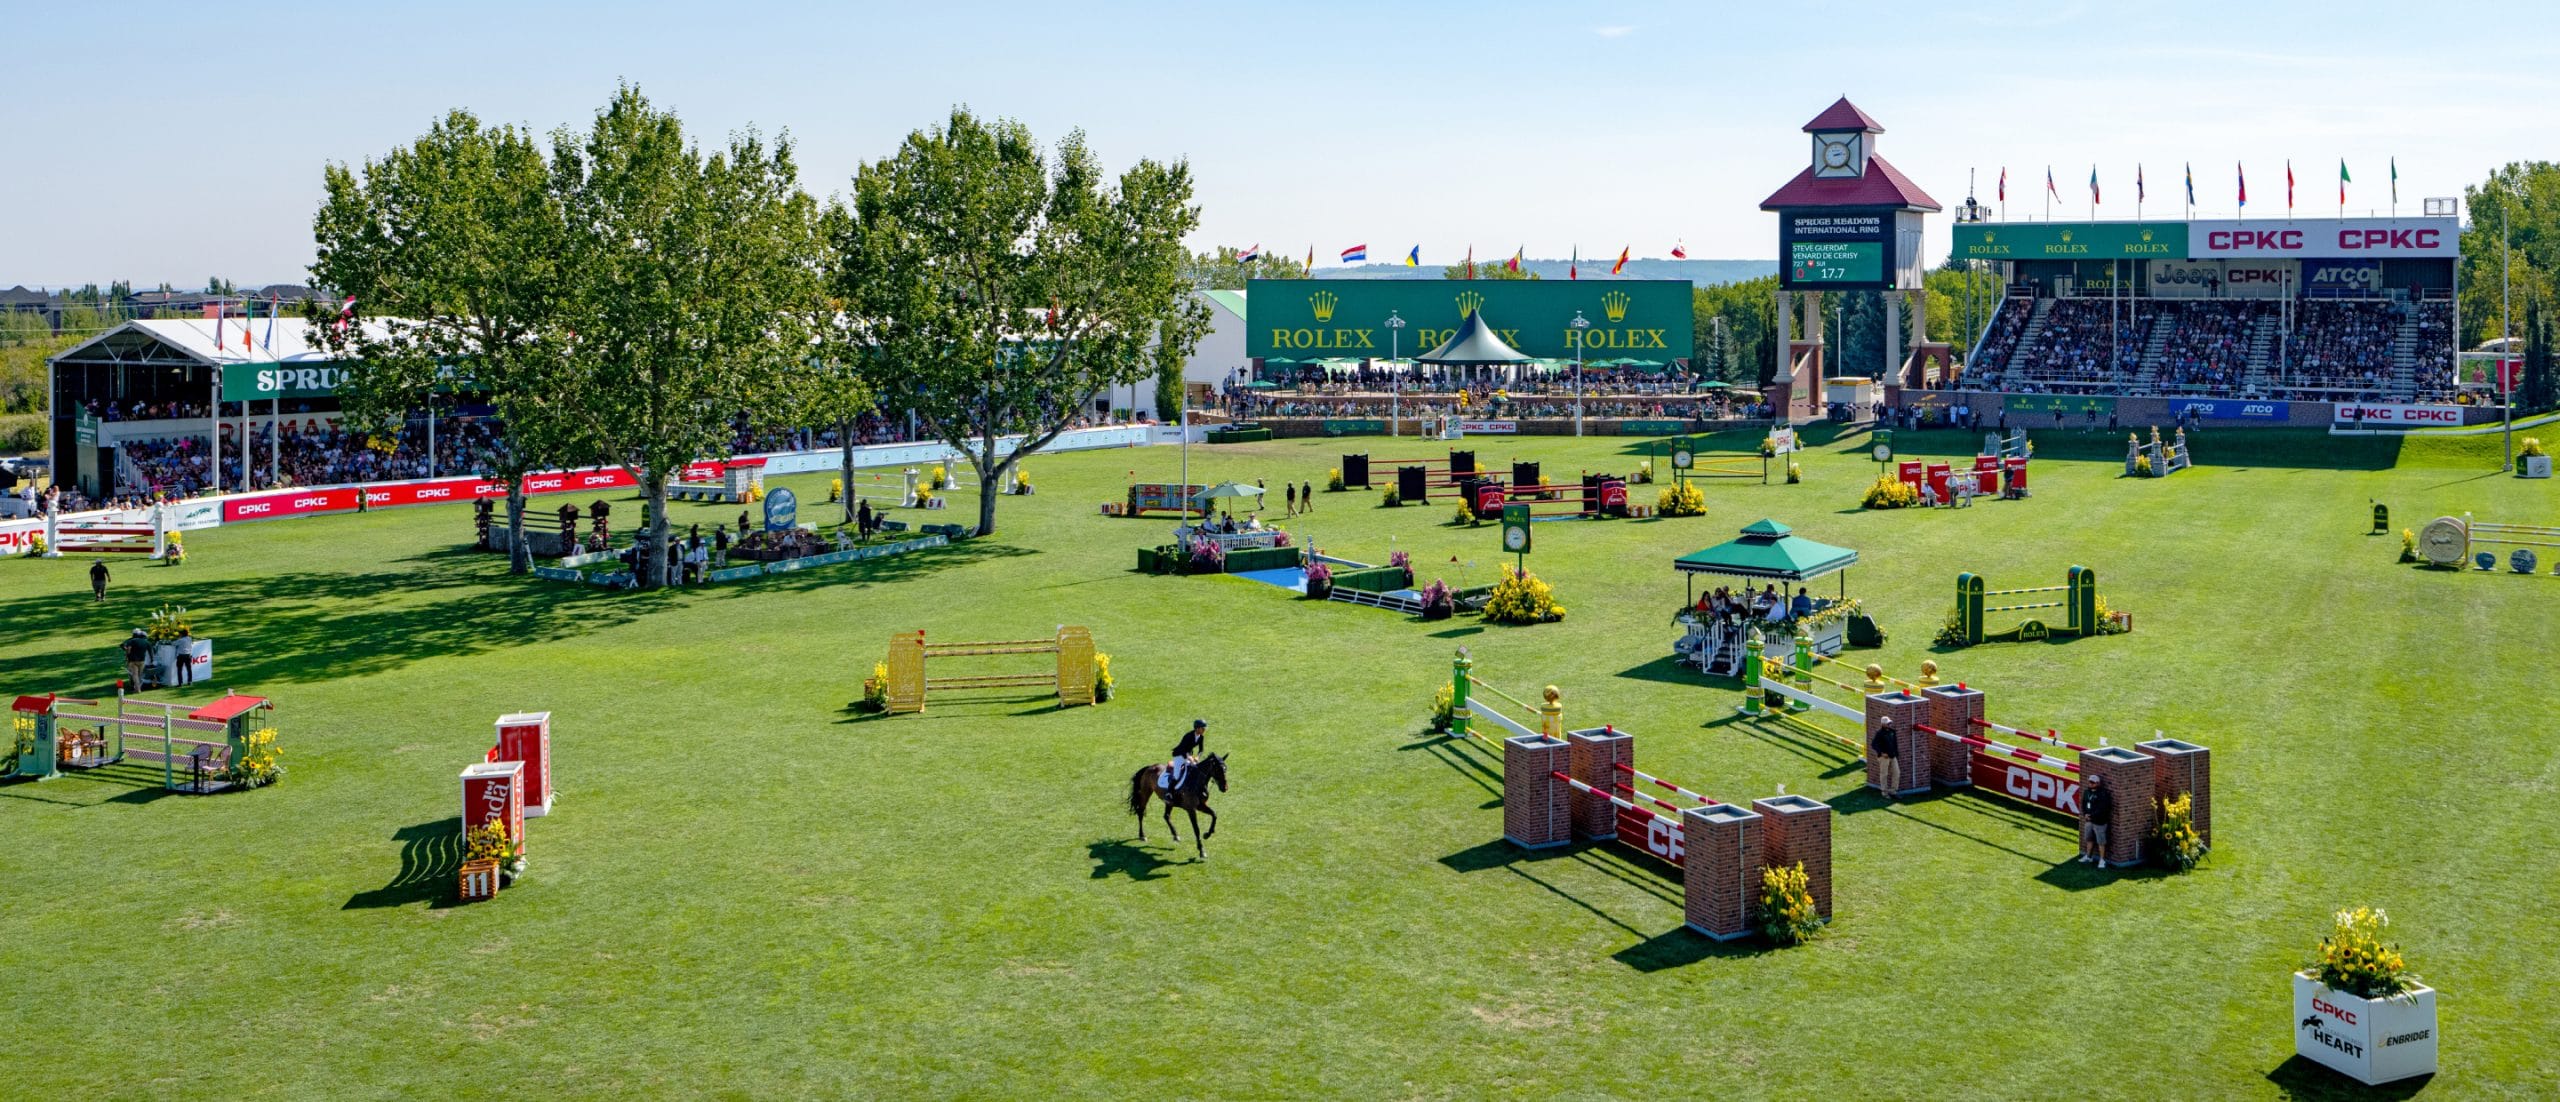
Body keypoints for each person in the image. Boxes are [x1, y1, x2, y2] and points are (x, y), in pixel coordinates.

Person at [2079, 774, 2115, 868]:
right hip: (2089, 820)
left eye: (2092, 782)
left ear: (2098, 783)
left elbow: (2103, 808)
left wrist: (2091, 815)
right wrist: (2085, 814)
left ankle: (2102, 860)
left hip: (2099, 821)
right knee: (2089, 838)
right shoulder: (2087, 792)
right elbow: (2083, 803)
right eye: (2089, 782)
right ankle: (2088, 856)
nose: (2090, 784)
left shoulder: (2103, 794)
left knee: (2101, 841)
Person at [1162, 720, 1208, 790]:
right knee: (1176, 776)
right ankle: (1169, 792)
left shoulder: (1201, 737)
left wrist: (1197, 757)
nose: (1204, 730)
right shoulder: (1188, 736)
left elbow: (1201, 750)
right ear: (1197, 728)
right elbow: (1183, 749)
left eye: (1204, 728)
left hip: (1188, 755)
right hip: (1179, 755)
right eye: (1203, 728)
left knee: (1196, 769)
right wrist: (1190, 758)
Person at [1867, 718, 1900, 795]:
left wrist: (1896, 754)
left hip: (1893, 756)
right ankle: (1884, 792)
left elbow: (1895, 744)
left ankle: (1893, 791)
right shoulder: (1879, 733)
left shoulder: (1892, 732)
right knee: (1884, 774)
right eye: (1888, 723)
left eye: (1890, 723)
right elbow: (1874, 745)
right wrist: (1881, 753)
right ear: (1883, 724)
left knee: (1897, 773)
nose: (1889, 724)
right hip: (1884, 757)